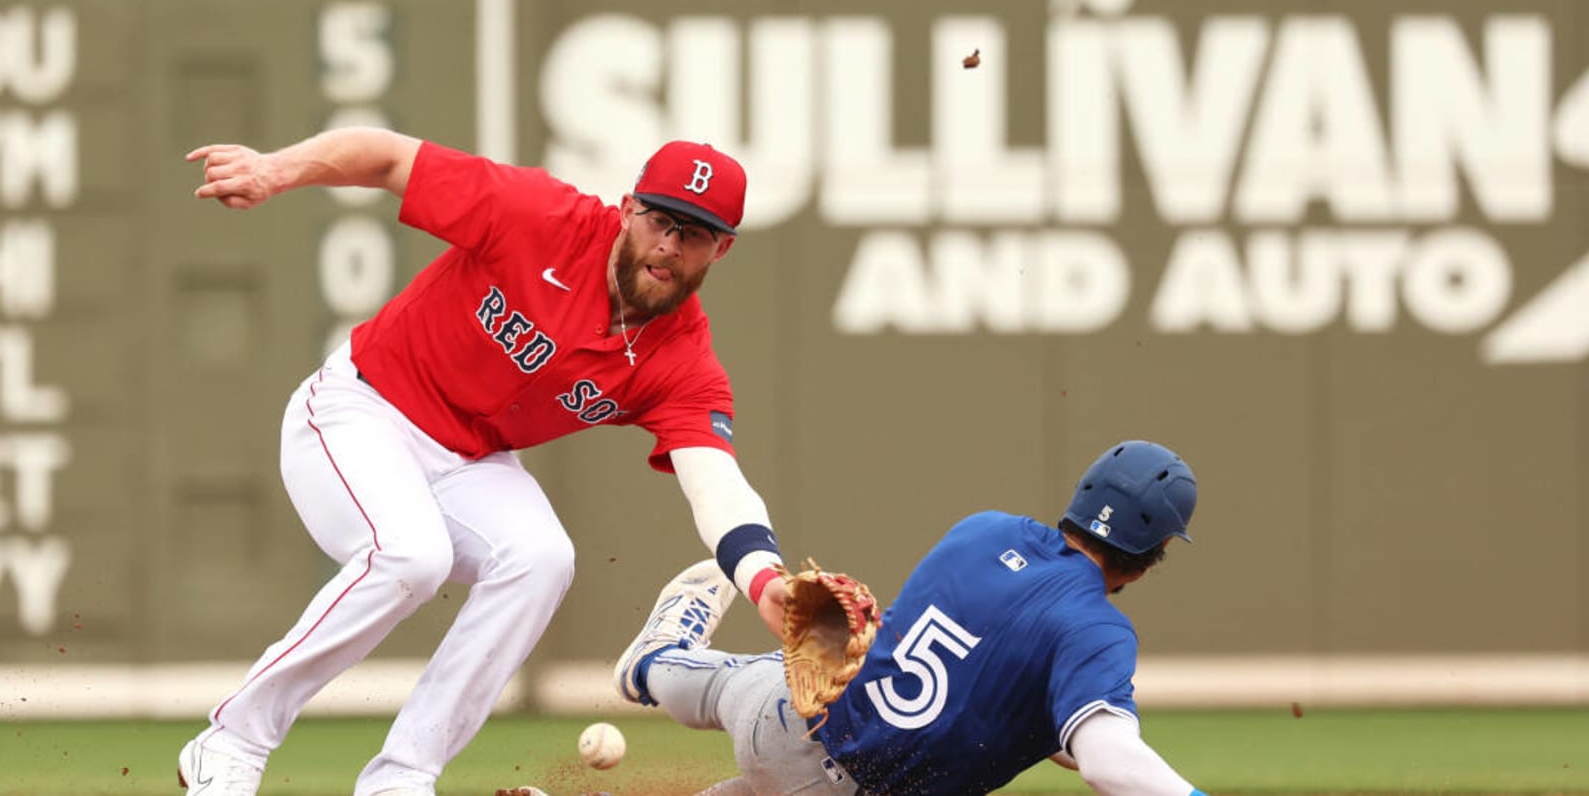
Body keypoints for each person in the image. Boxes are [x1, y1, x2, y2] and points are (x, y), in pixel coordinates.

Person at [177, 129, 791, 796]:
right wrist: (273, 169)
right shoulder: (540, 217)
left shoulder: (682, 361)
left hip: (469, 459)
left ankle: (401, 778)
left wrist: (764, 580)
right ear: (626, 209)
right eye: (661, 220)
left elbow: (716, 484)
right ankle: (233, 739)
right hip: (360, 409)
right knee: (412, 556)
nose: (670, 244)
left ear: (721, 249)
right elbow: (387, 158)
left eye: (695, 233)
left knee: (542, 559)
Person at [614, 439, 1211, 796]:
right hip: (852, 790)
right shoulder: (1097, 630)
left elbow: (990, 675)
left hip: (792, 720)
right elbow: (1107, 760)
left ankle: (654, 663)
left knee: (730, 684)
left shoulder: (985, 529)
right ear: (1150, 558)